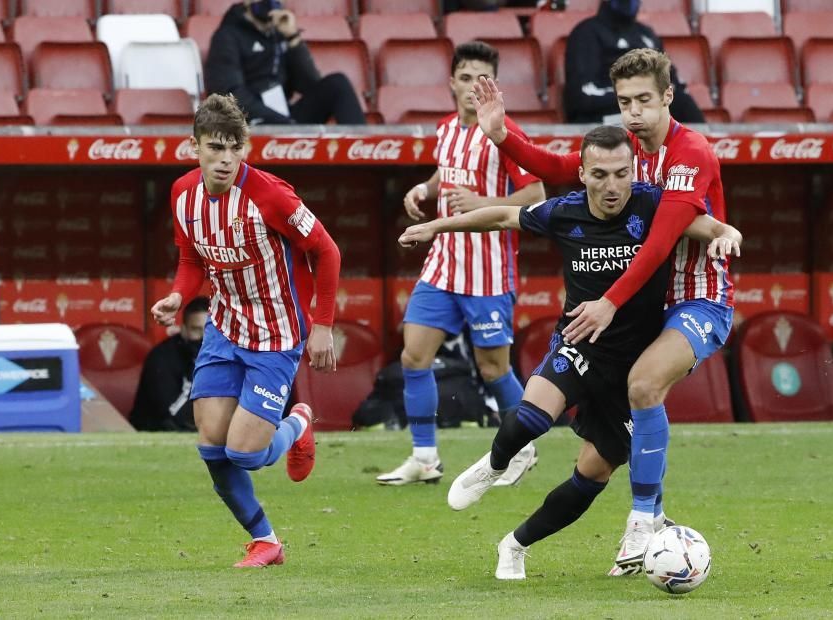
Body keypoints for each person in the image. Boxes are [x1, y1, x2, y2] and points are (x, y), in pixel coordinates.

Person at [398, 126, 740, 580]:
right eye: (599, 174)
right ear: (582, 174)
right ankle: (496, 464)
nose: (611, 185)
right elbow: (502, 217)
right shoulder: (565, 211)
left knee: (591, 477)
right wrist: (435, 226)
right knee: (533, 416)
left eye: (621, 173)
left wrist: (725, 232)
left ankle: (514, 545)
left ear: (633, 171)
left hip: (631, 368)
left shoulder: (653, 205)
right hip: (579, 342)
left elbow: (704, 224)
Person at [472, 47, 733, 575]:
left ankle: (642, 520)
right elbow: (556, 168)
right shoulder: (625, 154)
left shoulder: (691, 154)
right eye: (624, 101)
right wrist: (503, 135)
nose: (633, 112)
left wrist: (609, 301)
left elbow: (660, 243)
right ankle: (637, 528)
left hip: (695, 299)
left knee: (644, 387)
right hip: (638, 316)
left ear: (667, 97)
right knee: (598, 459)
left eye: (644, 100)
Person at [150, 93, 341, 568]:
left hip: (276, 334)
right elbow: (193, 259)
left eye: (236, 147)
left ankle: (297, 423)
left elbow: (327, 251)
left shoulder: (271, 195)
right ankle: (266, 541)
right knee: (212, 447)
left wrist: (322, 325)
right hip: (225, 326)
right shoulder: (182, 195)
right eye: (216, 147)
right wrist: (178, 295)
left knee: (246, 454)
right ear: (194, 146)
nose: (226, 159)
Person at [375, 41, 547, 487]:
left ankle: (523, 448)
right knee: (414, 356)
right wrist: (424, 190)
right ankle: (425, 458)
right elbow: (445, 172)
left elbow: (537, 197)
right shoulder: (447, 129)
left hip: (487, 270)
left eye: (483, 78)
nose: (474, 86)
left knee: (493, 368)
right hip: (443, 265)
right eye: (467, 76)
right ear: (452, 82)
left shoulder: (506, 133)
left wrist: (482, 203)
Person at [205, 0, 366, 126]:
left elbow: (310, 84)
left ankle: (363, 150)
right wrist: (280, 121)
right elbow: (230, 94)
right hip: (249, 122)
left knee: (337, 84)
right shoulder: (227, 36)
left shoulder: (279, 35)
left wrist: (293, 38)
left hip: (286, 117)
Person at [563, 0, 704, 125]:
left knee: (683, 105)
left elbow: (672, 83)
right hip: (606, 119)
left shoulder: (647, 35)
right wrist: (638, 96)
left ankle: (709, 149)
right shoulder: (586, 33)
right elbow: (581, 98)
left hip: (649, 114)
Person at [130, 296, 210, 431]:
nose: (204, 338)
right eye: (196, 330)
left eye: (210, 331)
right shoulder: (162, 357)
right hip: (154, 433)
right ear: (184, 329)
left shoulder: (224, 357)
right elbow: (173, 416)